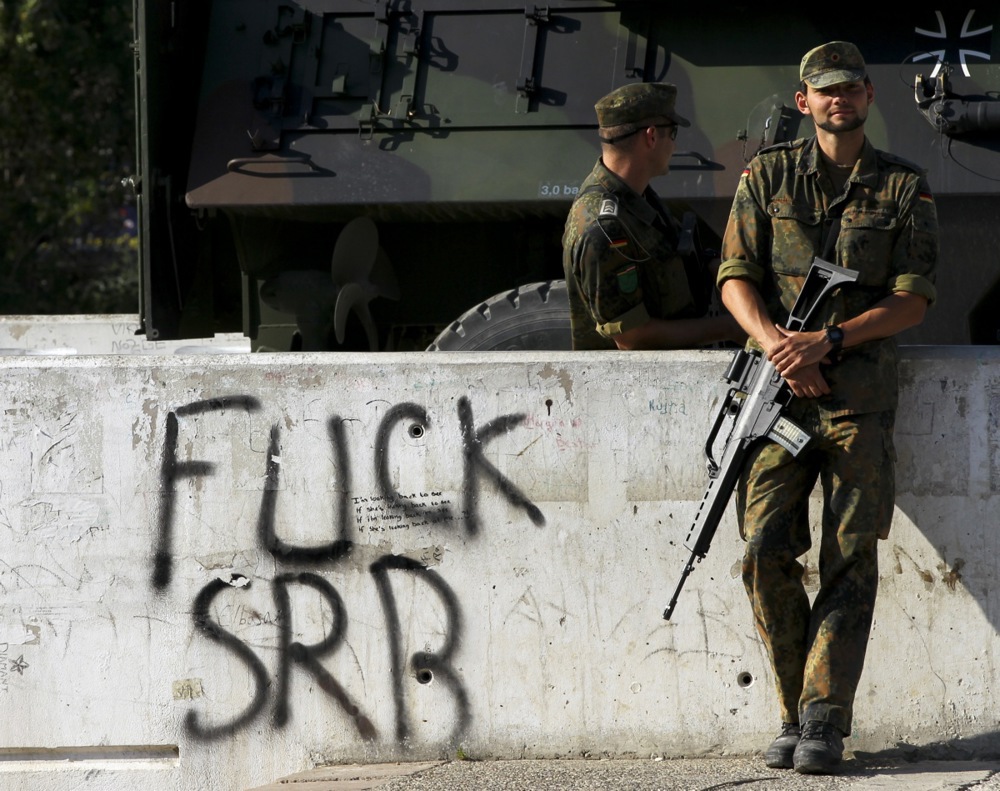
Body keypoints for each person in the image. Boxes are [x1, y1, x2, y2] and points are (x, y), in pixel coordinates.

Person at [717, 42, 938, 774]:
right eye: (824, 90)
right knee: (762, 549)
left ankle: (824, 720)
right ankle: (791, 710)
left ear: (869, 95)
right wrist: (781, 346)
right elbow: (735, 276)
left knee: (850, 558)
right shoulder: (767, 175)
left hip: (857, 402)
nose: (837, 99)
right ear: (803, 100)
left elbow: (912, 299)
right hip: (777, 396)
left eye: (849, 88)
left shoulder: (903, 186)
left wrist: (830, 340)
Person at [562, 82, 745, 350]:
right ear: (651, 137)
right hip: (636, 376)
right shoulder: (604, 227)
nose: (674, 144)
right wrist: (731, 328)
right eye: (672, 133)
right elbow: (632, 337)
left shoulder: (637, 198)